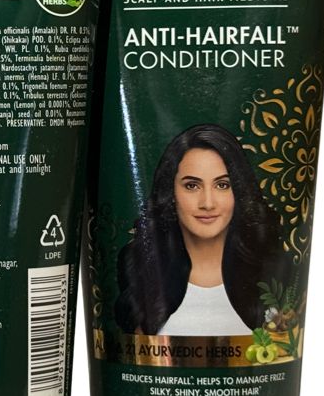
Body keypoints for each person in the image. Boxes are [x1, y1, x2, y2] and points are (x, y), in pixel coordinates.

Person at [115, 124, 282, 337]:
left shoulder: (274, 268)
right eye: (192, 186)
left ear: (238, 191)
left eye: (222, 185)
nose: (207, 203)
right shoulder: (139, 265)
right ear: (171, 192)